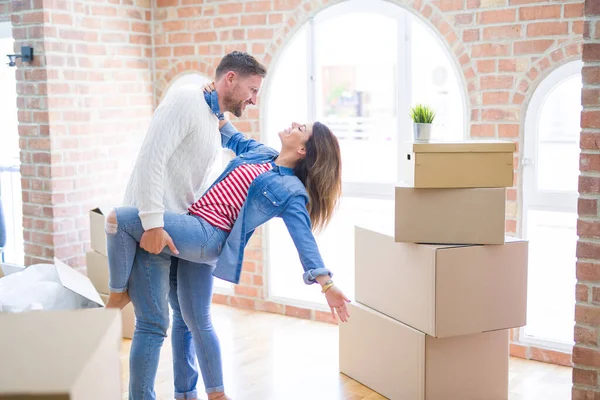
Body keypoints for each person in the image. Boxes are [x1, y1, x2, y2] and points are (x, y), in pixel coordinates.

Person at [106, 109, 351, 398]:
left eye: (302, 128)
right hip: (195, 228)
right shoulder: (260, 152)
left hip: (207, 235)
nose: (294, 123)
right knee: (191, 319)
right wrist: (210, 101)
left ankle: (118, 292)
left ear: (302, 149)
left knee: (119, 219)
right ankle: (200, 394)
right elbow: (230, 133)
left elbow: (304, 239)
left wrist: (327, 284)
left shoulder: (291, 190)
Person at [106, 52, 267, 400]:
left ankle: (186, 393)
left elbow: (229, 136)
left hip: (176, 224)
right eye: (252, 90)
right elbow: (152, 156)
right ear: (230, 80)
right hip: (153, 223)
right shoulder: (186, 101)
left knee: (182, 318)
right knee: (152, 325)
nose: (254, 99)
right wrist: (150, 222)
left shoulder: (212, 117)